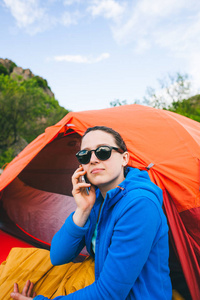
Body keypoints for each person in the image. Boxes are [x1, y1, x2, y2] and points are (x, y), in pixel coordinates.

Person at [10, 126, 172, 300]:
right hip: (102, 284)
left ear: (124, 158)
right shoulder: (96, 200)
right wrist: (83, 209)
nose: (93, 159)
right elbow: (57, 256)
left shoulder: (139, 204)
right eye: (85, 155)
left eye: (103, 151)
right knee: (18, 265)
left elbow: (109, 294)